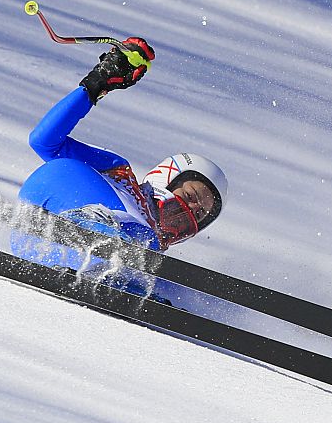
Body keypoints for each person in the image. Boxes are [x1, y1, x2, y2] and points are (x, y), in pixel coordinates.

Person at [12, 37, 228, 285]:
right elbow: (44, 141)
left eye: (199, 213)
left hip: (45, 255)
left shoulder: (151, 251)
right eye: (190, 196)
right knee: (142, 243)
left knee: (149, 259)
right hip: (49, 200)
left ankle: (123, 283)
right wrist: (97, 83)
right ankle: (100, 238)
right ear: (169, 176)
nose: (190, 210)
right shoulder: (119, 172)